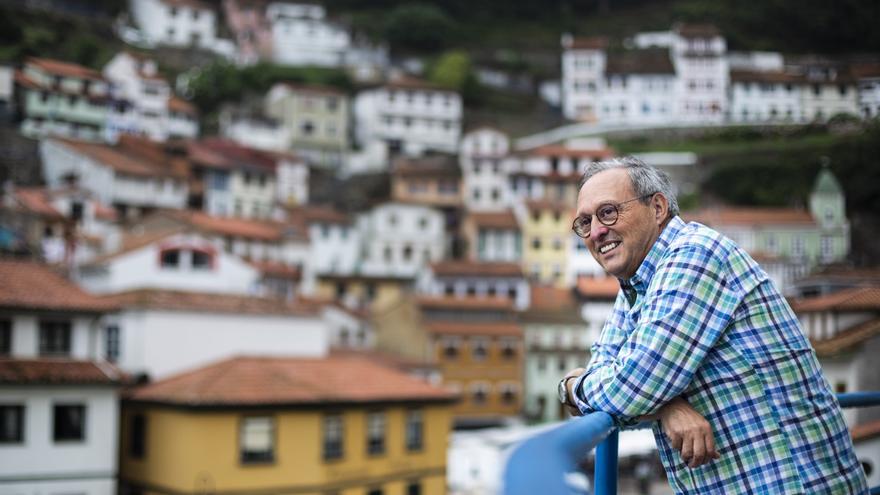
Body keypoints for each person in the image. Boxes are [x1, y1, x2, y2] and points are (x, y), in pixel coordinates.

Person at [558, 157, 868, 494]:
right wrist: (666, 406)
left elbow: (629, 389)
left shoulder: (694, 257)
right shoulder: (638, 283)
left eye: (608, 212)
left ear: (657, 207)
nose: (597, 232)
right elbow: (616, 375)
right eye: (585, 223)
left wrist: (574, 387)